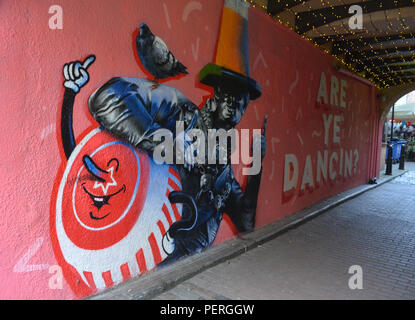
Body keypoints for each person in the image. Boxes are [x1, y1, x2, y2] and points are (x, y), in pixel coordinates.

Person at [61, 55, 266, 264]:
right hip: (149, 259)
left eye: (241, 101)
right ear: (214, 99)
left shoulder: (223, 172)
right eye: (228, 96)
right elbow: (108, 98)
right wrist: (167, 144)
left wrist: (257, 162)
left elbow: (246, 222)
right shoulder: (182, 114)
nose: (234, 104)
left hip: (189, 267)